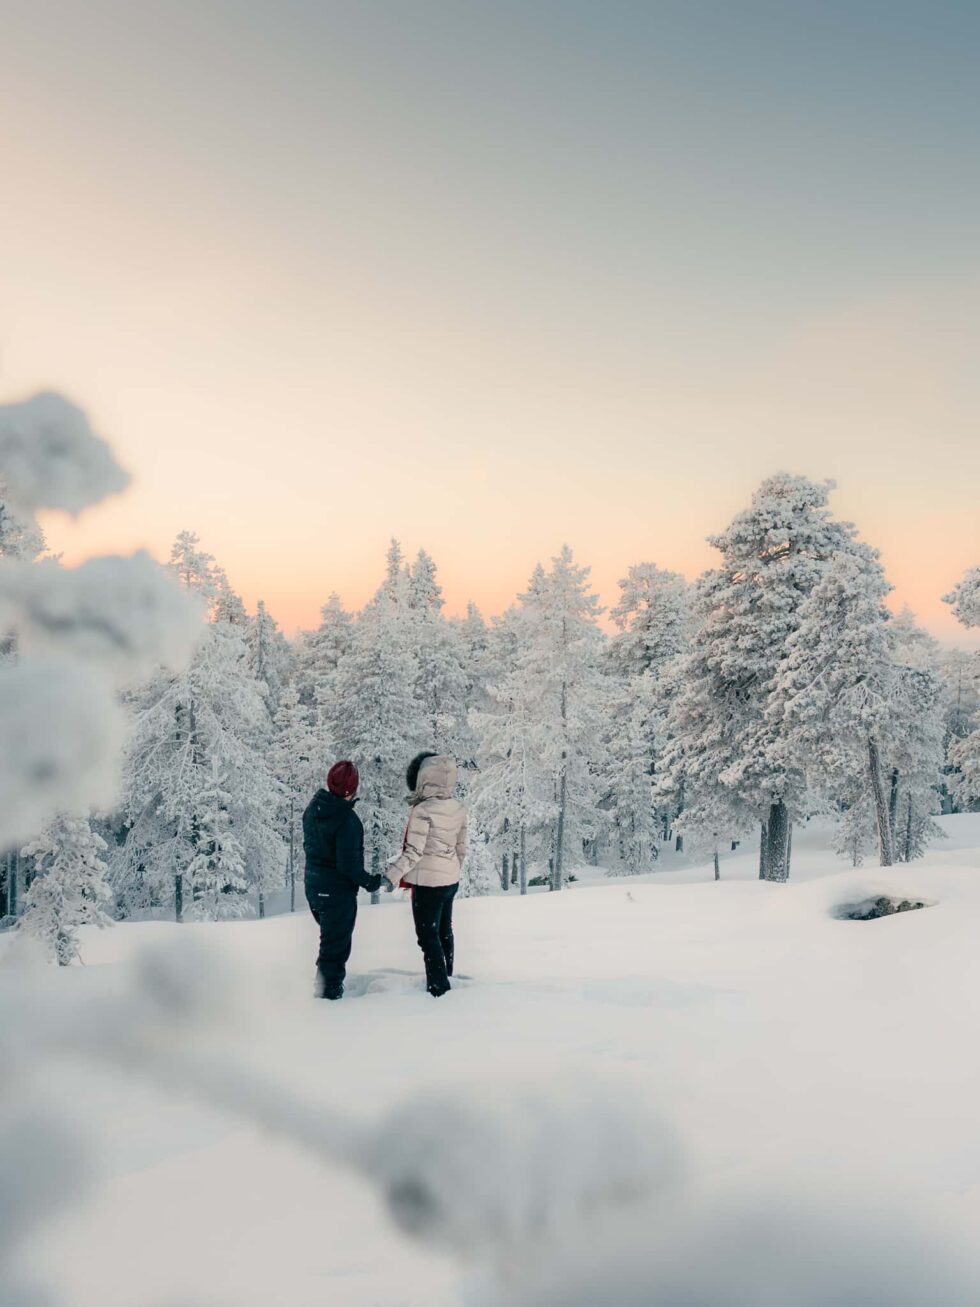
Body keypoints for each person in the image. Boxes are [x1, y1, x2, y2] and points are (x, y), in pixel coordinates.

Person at [385, 752, 467, 997]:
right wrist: (451, 870)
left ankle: (439, 987)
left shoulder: (423, 811)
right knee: (444, 930)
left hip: (428, 885)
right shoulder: (458, 808)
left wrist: (391, 875)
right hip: (449, 880)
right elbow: (461, 849)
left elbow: (413, 852)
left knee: (427, 936)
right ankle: (446, 973)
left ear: (423, 779)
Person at [303, 760, 382, 999]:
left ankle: (325, 989)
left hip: (314, 886)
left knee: (330, 943)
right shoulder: (347, 821)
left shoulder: (313, 809)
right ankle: (328, 998)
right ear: (352, 789)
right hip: (336, 892)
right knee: (334, 948)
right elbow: (348, 865)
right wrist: (371, 882)